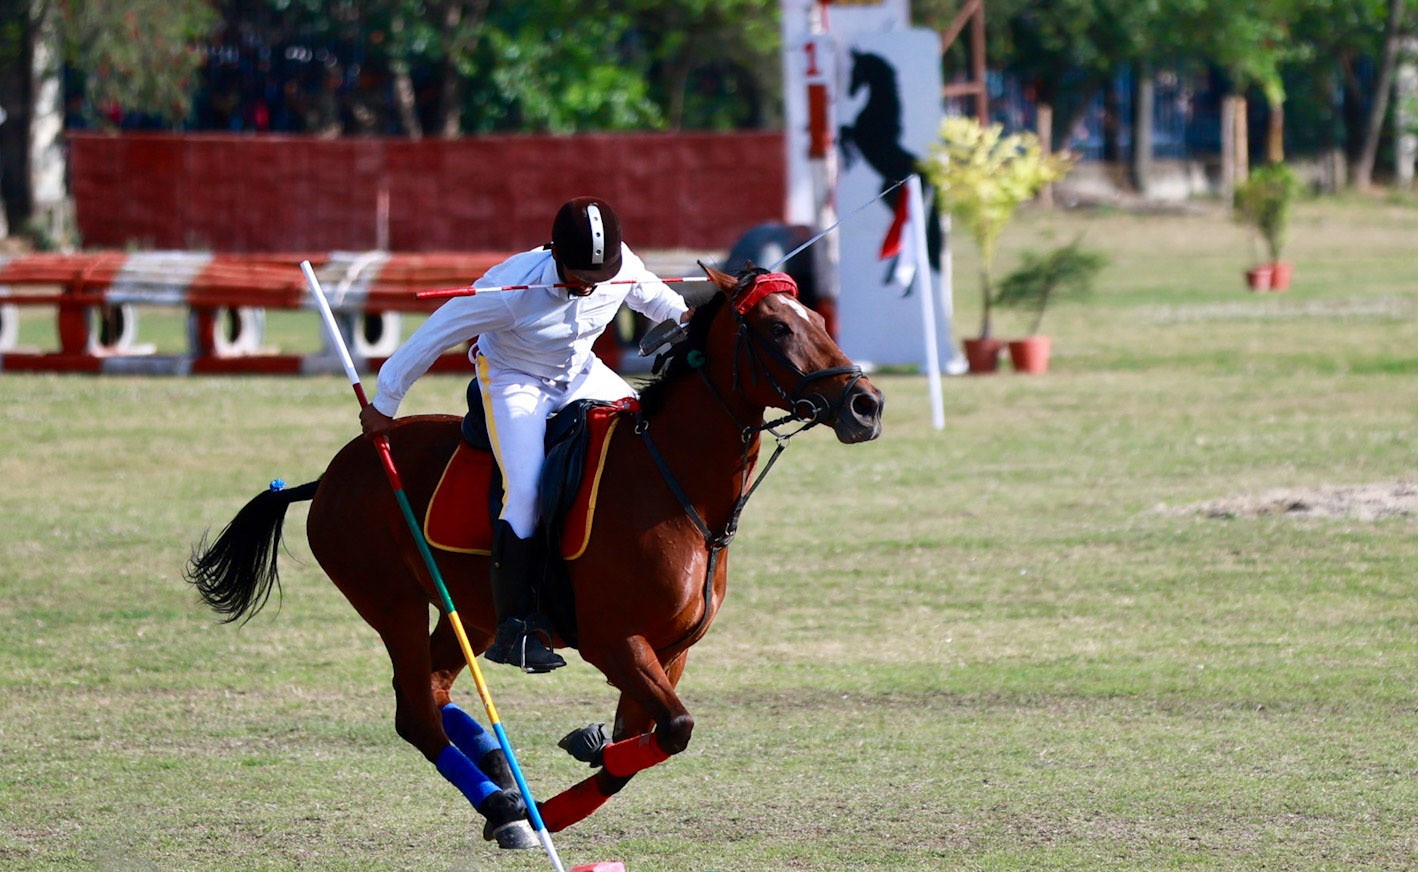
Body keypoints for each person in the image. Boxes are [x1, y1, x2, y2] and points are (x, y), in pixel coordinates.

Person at [360, 196, 689, 673]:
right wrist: (385, 404)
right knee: (527, 488)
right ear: (556, 256)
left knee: (644, 440)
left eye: (602, 276)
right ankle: (516, 625)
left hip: (581, 373)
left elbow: (654, 297)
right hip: (514, 379)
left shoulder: (620, 265)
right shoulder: (509, 289)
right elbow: (435, 333)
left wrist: (683, 317)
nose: (593, 286)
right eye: (582, 277)